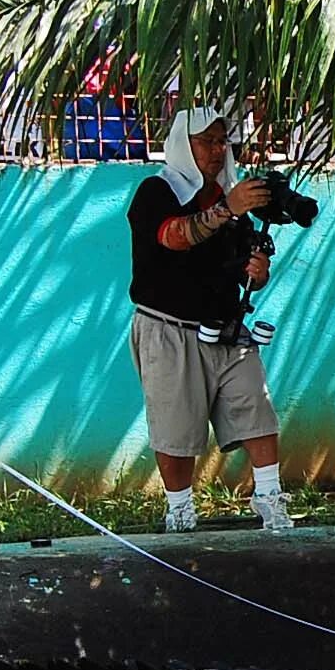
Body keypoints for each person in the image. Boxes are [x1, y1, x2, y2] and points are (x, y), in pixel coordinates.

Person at [126, 106, 293, 533]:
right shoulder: (156, 193)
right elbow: (174, 237)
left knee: (256, 407)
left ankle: (271, 499)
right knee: (175, 427)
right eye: (207, 142)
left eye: (223, 142)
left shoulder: (230, 198)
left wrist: (255, 272)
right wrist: (227, 210)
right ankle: (179, 509)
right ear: (184, 144)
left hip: (224, 327)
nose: (218, 151)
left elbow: (234, 264)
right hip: (168, 329)